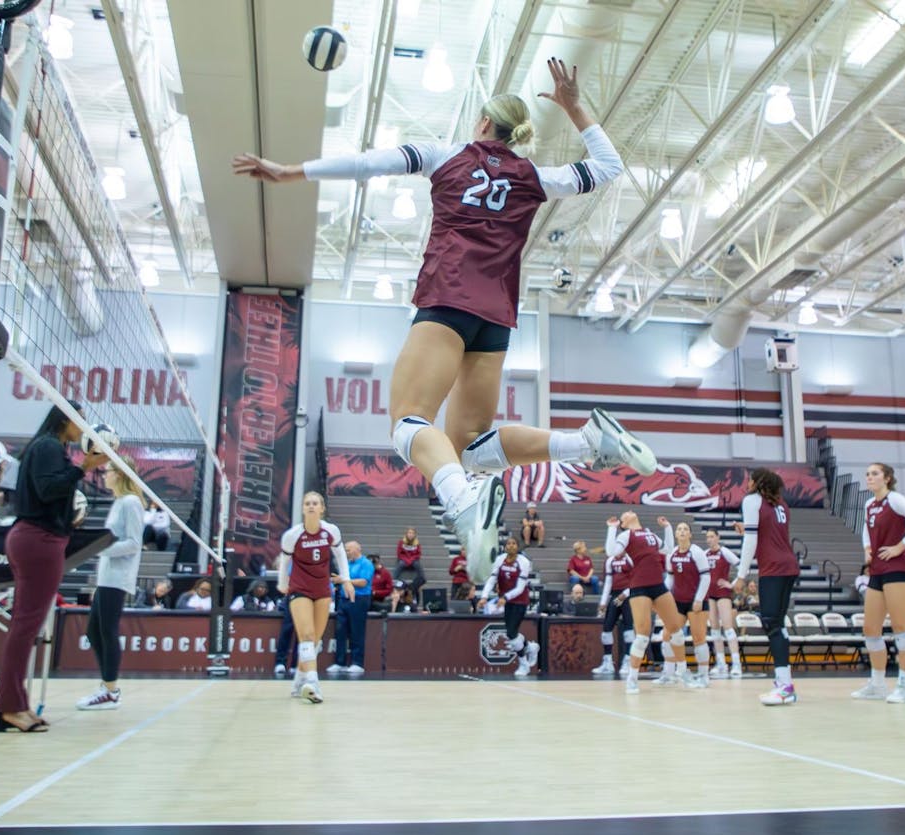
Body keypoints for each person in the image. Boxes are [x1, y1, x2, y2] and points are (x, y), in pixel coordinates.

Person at [234, 58, 651, 572]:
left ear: (481, 123)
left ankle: (463, 503)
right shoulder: (533, 176)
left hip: (447, 301)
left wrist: (293, 171)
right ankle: (587, 442)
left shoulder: (445, 154)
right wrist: (573, 107)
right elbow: (609, 168)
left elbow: (369, 163)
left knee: (408, 424)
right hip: (496, 316)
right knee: (469, 446)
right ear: (515, 134)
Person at [0, 403, 107, 733]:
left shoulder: (49, 448)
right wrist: (83, 467)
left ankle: (14, 704)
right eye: (79, 421)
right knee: (25, 627)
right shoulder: (47, 447)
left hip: (41, 539)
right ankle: (9, 707)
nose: (82, 428)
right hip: (38, 540)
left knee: (25, 627)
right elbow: (47, 489)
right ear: (65, 420)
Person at [850, 463, 905, 705]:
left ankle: (904, 685)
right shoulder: (868, 504)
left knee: (900, 626)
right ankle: (877, 684)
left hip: (898, 569)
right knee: (870, 630)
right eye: (867, 474)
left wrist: (900, 547)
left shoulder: (895, 499)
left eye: (874, 473)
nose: (869, 477)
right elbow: (866, 529)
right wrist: (867, 549)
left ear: (887, 478)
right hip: (877, 570)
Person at [78, 455, 146, 711]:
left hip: (118, 577)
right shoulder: (119, 502)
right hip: (106, 577)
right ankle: (107, 686)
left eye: (107, 470)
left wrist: (99, 549)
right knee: (94, 632)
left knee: (106, 631)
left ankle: (110, 690)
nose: (104, 474)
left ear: (120, 473)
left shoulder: (131, 503)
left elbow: (133, 543)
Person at [730, 469, 801, 706]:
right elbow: (767, 533)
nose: (747, 482)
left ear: (757, 482)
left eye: (750, 479)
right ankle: (784, 681)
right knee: (777, 624)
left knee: (772, 623)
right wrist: (748, 529)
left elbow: (751, 539)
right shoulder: (781, 504)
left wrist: (741, 576)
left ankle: (785, 686)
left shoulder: (752, 501)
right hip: (788, 565)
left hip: (773, 568)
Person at [278, 491, 355, 703]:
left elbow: (340, 555)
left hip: (322, 588)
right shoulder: (292, 535)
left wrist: (346, 580)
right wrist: (283, 584)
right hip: (299, 587)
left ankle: (298, 681)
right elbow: (284, 563)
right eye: (307, 503)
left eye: (315, 503)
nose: (311, 506)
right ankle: (313, 682)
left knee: (315, 641)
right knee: (307, 635)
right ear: (303, 508)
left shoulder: (331, 531)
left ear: (322, 508)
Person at [606, 511, 682, 695]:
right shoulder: (626, 534)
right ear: (624, 522)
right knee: (642, 636)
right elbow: (611, 552)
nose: (629, 512)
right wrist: (612, 529)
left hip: (658, 586)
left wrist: (668, 528)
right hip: (639, 587)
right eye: (625, 514)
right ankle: (632, 678)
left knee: (676, 630)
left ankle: (681, 671)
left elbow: (668, 549)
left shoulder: (650, 533)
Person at [662, 518, 712, 688]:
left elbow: (706, 577)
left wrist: (699, 599)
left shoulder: (697, 552)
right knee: (667, 635)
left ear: (690, 534)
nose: (682, 531)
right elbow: (670, 577)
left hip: (696, 601)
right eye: (679, 529)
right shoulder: (672, 554)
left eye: (685, 529)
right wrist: (664, 593)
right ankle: (669, 674)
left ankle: (704, 676)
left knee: (699, 637)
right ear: (675, 534)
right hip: (678, 601)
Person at [480, 537, 539, 678]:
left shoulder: (524, 562)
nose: (511, 546)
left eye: (513, 544)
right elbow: (492, 579)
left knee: (512, 634)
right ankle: (530, 647)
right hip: (506, 601)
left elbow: (520, 587)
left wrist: (505, 597)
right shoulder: (500, 559)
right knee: (510, 633)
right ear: (505, 547)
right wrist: (484, 596)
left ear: (517, 547)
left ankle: (523, 664)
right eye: (508, 544)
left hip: (520, 600)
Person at [704, 529, 743, 679]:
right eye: (707, 537)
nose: (709, 539)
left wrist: (731, 584)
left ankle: (736, 663)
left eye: (712, 536)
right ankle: (721, 664)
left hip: (723, 594)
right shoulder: (705, 553)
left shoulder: (724, 551)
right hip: (710, 593)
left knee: (728, 628)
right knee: (714, 629)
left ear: (718, 538)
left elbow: (741, 566)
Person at [331, 540, 373, 675]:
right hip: (344, 599)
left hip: (359, 599)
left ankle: (357, 663)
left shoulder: (366, 563)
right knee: (340, 631)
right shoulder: (347, 564)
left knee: (357, 632)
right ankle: (340, 662)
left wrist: (343, 580)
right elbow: (343, 580)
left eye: (348, 550)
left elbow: (363, 582)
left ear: (357, 549)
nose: (346, 552)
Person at [592, 547, 635, 677]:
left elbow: (637, 578)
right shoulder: (610, 560)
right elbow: (608, 582)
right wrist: (603, 601)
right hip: (615, 595)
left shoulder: (630, 559)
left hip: (629, 594)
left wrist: (626, 593)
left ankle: (628, 661)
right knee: (606, 628)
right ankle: (607, 662)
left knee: (628, 629)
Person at [394, 527, 427, 595]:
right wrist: (406, 560)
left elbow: (418, 554)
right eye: (409, 533)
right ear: (406, 534)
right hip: (404, 560)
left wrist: (411, 560)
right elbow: (399, 554)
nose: (410, 534)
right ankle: (394, 580)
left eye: (412, 533)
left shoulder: (417, 543)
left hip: (413, 560)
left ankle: (423, 579)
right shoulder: (401, 542)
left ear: (414, 535)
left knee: (418, 564)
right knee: (400, 564)